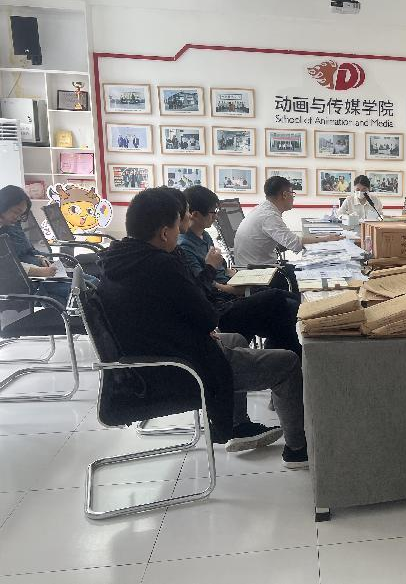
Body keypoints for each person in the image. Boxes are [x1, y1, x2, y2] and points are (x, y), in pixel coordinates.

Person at [97, 188, 308, 466]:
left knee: (236, 339)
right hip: (179, 368)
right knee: (288, 362)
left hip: (150, 359)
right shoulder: (161, 265)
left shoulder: (117, 259)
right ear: (164, 233)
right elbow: (208, 317)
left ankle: (238, 425)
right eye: (178, 224)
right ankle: (297, 450)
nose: (180, 230)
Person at [177, 186, 302, 354]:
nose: (216, 217)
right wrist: (232, 288)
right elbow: (204, 285)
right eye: (213, 213)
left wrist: (239, 276)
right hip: (222, 303)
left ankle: (289, 349)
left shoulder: (205, 236)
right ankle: (294, 349)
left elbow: (224, 269)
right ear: (195, 214)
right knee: (276, 298)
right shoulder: (185, 246)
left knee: (284, 303)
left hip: (231, 288)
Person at [0, 185, 98, 302]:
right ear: (3, 205)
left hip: (42, 270)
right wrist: (38, 272)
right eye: (16, 212)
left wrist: (40, 257)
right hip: (28, 279)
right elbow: (7, 267)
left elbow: (28, 249)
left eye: (21, 214)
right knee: (83, 292)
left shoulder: (13, 225)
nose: (18, 217)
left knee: (93, 282)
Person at [233, 176, 341, 267]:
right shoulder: (269, 216)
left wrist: (323, 237)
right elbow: (295, 243)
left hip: (256, 265)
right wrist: (326, 239)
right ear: (284, 195)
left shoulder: (264, 209)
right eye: (292, 194)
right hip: (257, 272)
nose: (293, 198)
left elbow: (289, 240)